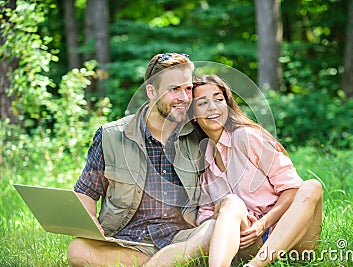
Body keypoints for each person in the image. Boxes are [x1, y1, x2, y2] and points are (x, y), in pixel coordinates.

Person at [67, 53, 215, 267]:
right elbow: (85, 193)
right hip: (127, 242)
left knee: (213, 230)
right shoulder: (111, 136)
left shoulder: (200, 133)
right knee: (78, 250)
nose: (184, 97)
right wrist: (90, 222)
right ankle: (168, 264)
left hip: (182, 240)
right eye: (174, 89)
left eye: (188, 88)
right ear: (151, 91)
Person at [190, 74, 323, 267]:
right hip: (250, 242)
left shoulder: (247, 137)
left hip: (292, 237)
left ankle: (256, 266)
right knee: (230, 202)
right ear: (193, 116)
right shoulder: (204, 161)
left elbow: (292, 189)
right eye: (202, 103)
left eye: (219, 100)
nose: (212, 107)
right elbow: (204, 217)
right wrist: (229, 215)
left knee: (312, 186)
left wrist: (262, 224)